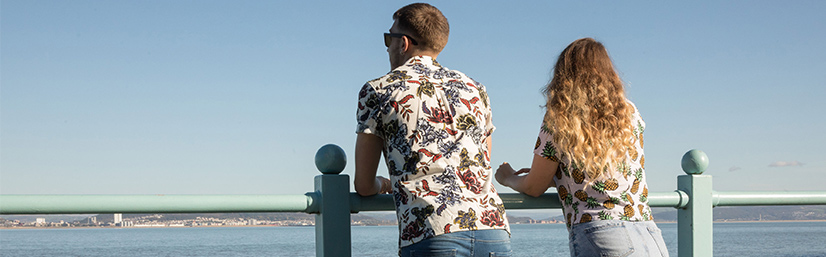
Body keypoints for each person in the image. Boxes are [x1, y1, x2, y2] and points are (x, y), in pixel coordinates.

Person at [354, 3, 511, 257]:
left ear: (403, 43)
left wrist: (383, 184)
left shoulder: (378, 89)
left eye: (388, 38)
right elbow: (483, 161)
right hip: (492, 229)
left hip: (431, 232)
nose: (387, 46)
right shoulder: (475, 89)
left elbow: (363, 183)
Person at [495, 38, 669, 256]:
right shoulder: (630, 113)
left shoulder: (561, 117)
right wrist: (559, 174)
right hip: (648, 233)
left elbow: (533, 188)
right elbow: (604, 169)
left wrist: (508, 177)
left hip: (602, 234)